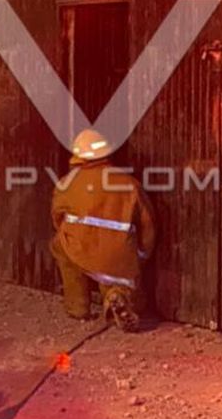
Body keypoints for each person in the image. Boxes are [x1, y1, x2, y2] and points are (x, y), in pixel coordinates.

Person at [50, 129, 156, 332]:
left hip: (80, 249)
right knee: (120, 280)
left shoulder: (66, 184)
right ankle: (116, 296)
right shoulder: (130, 184)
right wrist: (141, 256)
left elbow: (56, 217)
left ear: (79, 156)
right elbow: (148, 225)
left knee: (59, 245)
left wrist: (71, 235)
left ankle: (78, 306)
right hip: (119, 255)